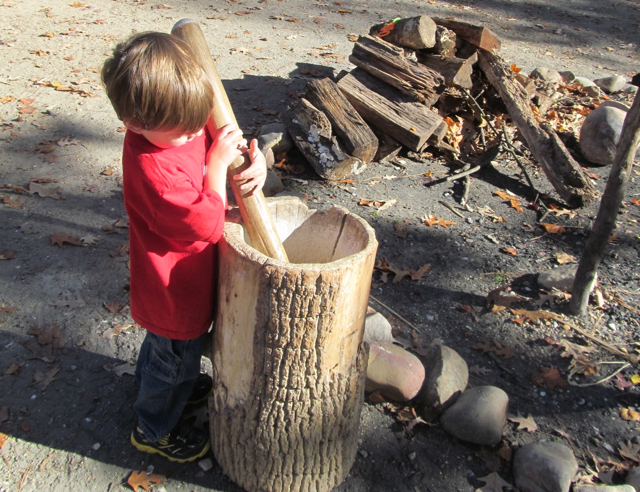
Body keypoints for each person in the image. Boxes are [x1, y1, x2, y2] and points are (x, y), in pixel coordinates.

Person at [101, 31, 266, 463]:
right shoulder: (153, 171)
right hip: (173, 288)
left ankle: (171, 385)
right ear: (134, 123)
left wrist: (254, 158)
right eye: (185, 132)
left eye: (197, 124)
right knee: (173, 352)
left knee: (168, 352)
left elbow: (213, 138)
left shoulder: (172, 127)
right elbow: (203, 223)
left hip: (188, 279)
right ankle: (153, 428)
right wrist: (215, 169)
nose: (196, 134)